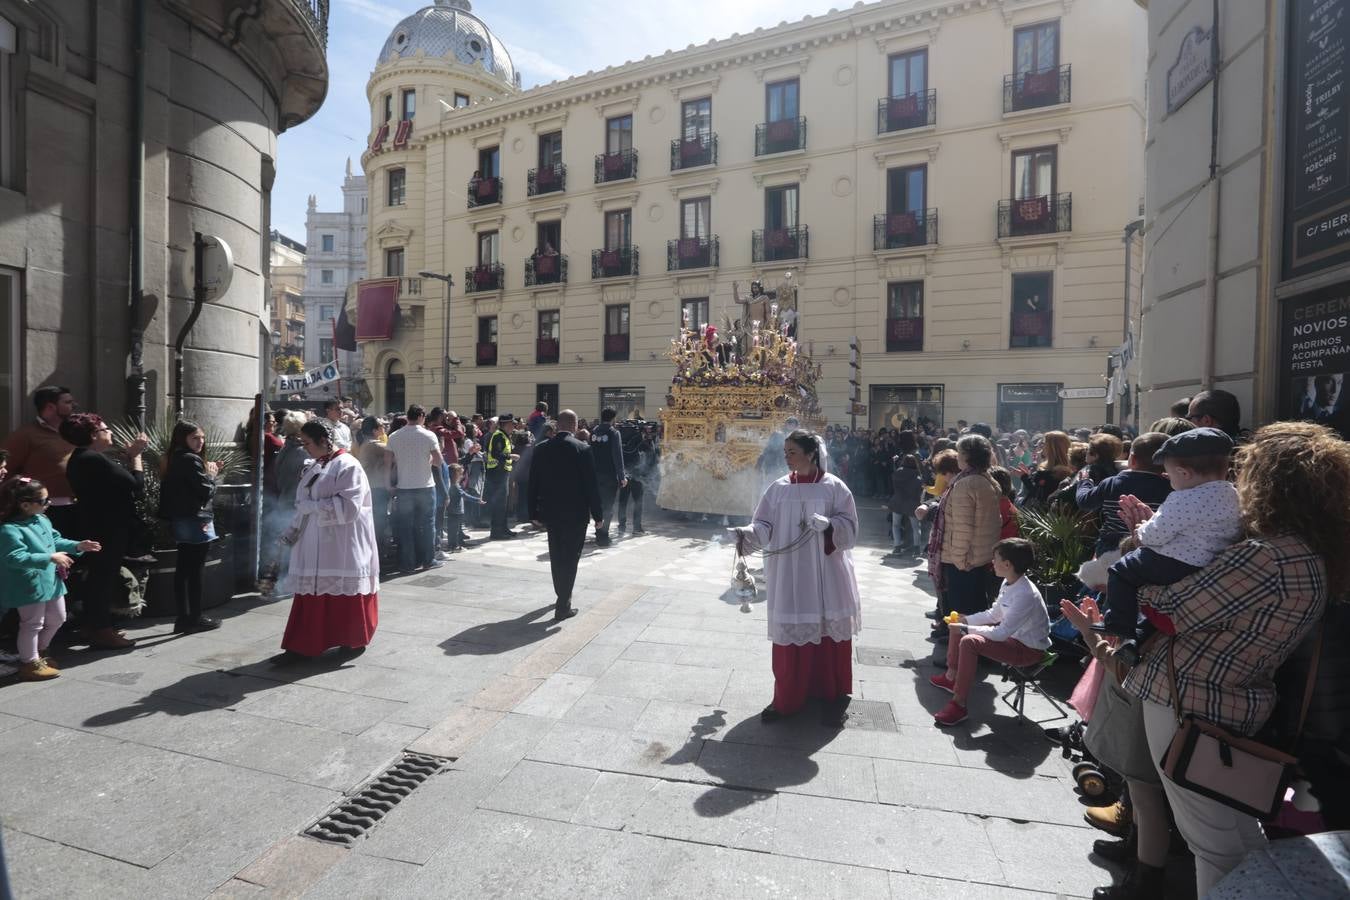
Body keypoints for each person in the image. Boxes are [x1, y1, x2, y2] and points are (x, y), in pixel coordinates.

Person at [1108, 421, 1348, 898]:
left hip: (1191, 701)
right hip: (1239, 700)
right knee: (1237, 834)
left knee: (1211, 842)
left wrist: (1139, 550)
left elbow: (1171, 610)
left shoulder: (1267, 555)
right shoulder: (1313, 554)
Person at [728, 430, 862, 728]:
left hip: (828, 572)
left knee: (827, 629)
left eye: (791, 451)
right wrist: (744, 535)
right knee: (792, 633)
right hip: (790, 572)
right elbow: (762, 525)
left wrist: (830, 525)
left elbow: (851, 529)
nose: (785, 456)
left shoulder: (834, 487)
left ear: (811, 454)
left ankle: (831, 690)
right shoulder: (777, 489)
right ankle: (787, 697)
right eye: (785, 451)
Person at [1102, 427, 1240, 645]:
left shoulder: (1182, 499)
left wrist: (1140, 529)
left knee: (1121, 571)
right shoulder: (1233, 494)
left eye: (1170, 474)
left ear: (1184, 474)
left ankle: (1118, 625)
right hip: (1209, 562)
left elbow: (1155, 535)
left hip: (1174, 561)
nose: (1167, 479)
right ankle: (1140, 636)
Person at [280, 419, 380, 658]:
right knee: (311, 594)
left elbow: (349, 508)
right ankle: (304, 644)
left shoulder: (348, 466)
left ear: (323, 441)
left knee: (343, 595)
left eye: (307, 443)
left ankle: (351, 640)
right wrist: (291, 531)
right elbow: (302, 504)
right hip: (314, 542)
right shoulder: (316, 465)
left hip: (342, 543)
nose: (304, 448)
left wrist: (312, 508)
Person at [930, 538, 1049, 726]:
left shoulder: (1026, 594)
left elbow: (1001, 632)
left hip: (1028, 650)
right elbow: (994, 614)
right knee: (959, 620)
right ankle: (951, 676)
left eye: (995, 558)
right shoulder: (1010, 582)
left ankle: (959, 705)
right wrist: (964, 621)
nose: (992, 562)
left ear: (1007, 564)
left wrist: (965, 627)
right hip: (1012, 639)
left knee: (968, 639)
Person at [63, 414, 150, 648]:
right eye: (106, 428)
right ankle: (101, 630)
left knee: (100, 576)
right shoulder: (91, 459)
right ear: (94, 435)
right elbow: (135, 485)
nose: (109, 432)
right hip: (107, 528)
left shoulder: (84, 458)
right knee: (103, 577)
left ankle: (94, 625)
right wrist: (136, 456)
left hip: (99, 525)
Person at [0, 477, 101, 679]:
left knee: (58, 617)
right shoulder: (9, 530)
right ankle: (30, 662)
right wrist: (49, 557)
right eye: (44, 501)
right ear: (25, 505)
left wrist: (78, 546)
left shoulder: (42, 519)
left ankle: (41, 651)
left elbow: (55, 539)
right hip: (27, 584)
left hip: (50, 580)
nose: (49, 503)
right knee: (32, 623)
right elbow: (14, 557)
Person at [528, 410, 603, 621]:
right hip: (576, 513)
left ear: (557, 425)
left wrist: (532, 512)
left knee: (557, 554)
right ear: (575, 425)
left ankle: (561, 593)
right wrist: (598, 515)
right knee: (571, 558)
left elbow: (534, 482)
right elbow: (591, 486)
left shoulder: (542, 448)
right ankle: (563, 605)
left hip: (551, 512)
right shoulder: (583, 448)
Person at [926, 435, 1002, 623]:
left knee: (962, 610)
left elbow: (962, 528)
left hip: (962, 560)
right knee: (975, 606)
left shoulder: (965, 484)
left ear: (969, 456)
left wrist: (959, 560)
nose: (957, 456)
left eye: (960, 453)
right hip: (978, 556)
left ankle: (962, 647)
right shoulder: (985, 479)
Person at [158, 421, 223, 634]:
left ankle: (184, 617)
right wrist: (212, 476)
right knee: (194, 569)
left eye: (202, 437)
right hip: (195, 518)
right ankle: (194, 617)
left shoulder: (174, 457)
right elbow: (205, 491)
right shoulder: (189, 459)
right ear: (182, 439)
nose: (200, 442)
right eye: (195, 438)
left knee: (184, 568)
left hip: (181, 517)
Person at [2, 386, 79, 537]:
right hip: (45, 511)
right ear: (51, 407)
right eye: (68, 402)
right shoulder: (25, 435)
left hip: (77, 507)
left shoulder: (74, 432)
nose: (74, 405)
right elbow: (5, 470)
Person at [385, 404, 443, 572]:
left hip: (404, 487)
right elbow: (439, 462)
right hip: (425, 486)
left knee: (406, 526)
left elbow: (387, 463)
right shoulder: (428, 435)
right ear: (421, 416)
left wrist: (388, 484)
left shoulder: (394, 436)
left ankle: (407, 563)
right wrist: (429, 461)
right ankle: (428, 560)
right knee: (427, 525)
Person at [589, 408, 627, 546]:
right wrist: (622, 476)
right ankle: (603, 536)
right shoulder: (613, 433)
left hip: (594, 476)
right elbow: (617, 456)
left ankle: (598, 532)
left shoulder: (593, 432)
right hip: (609, 476)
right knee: (608, 507)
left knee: (597, 506)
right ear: (613, 418)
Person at [357, 416, 394, 556]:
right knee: (379, 521)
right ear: (374, 430)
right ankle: (378, 553)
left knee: (377, 520)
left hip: (373, 487)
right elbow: (395, 450)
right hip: (376, 488)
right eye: (382, 426)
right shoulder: (374, 445)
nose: (384, 428)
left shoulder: (367, 444)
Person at [1017, 430, 1071, 506]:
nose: (1042, 447)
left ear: (1052, 448)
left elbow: (1037, 494)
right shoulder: (1071, 469)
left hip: (1043, 515)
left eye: (1044, 444)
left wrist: (1024, 477)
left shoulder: (1048, 472)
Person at [887, 454, 923, 555]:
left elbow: (892, 485)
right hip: (912, 503)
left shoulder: (898, 473)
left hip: (898, 501)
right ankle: (917, 549)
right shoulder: (917, 475)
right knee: (916, 527)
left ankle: (897, 546)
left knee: (896, 525)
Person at [445, 463, 484, 551]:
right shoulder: (455, 487)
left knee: (453, 529)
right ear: (455, 475)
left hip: (452, 511)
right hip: (456, 512)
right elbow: (465, 495)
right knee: (455, 530)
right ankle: (454, 545)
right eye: (460, 474)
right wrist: (477, 499)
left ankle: (453, 544)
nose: (462, 476)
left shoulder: (451, 485)